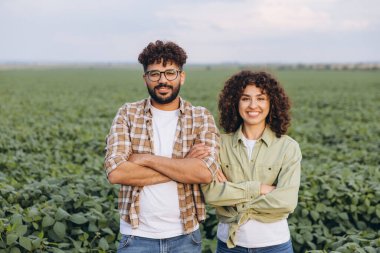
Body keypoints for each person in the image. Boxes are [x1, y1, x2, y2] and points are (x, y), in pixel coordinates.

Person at [104, 40, 220, 253]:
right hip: (137, 238)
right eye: (155, 74)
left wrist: (146, 159)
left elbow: (204, 173)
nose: (162, 80)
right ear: (145, 78)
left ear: (181, 77)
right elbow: (116, 172)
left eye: (170, 73)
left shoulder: (201, 116)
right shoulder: (128, 114)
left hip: (186, 237)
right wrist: (184, 167)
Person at [200, 70, 302, 253]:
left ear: (272, 103)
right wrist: (260, 189)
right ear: (235, 102)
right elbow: (212, 195)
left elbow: (286, 201)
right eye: (245, 98)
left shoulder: (288, 147)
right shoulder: (219, 144)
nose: (253, 105)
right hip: (230, 246)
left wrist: (231, 195)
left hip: (275, 245)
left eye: (261, 98)